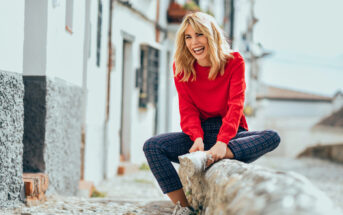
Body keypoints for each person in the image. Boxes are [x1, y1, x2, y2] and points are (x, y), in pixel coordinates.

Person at [143, 12, 280, 215]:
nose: (193, 42)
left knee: (272, 137)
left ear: (212, 35)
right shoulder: (181, 67)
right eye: (188, 37)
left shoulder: (235, 61)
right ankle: (185, 207)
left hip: (233, 135)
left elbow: (236, 105)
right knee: (152, 146)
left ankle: (220, 155)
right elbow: (187, 109)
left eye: (199, 35)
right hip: (201, 135)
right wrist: (196, 138)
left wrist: (223, 143)